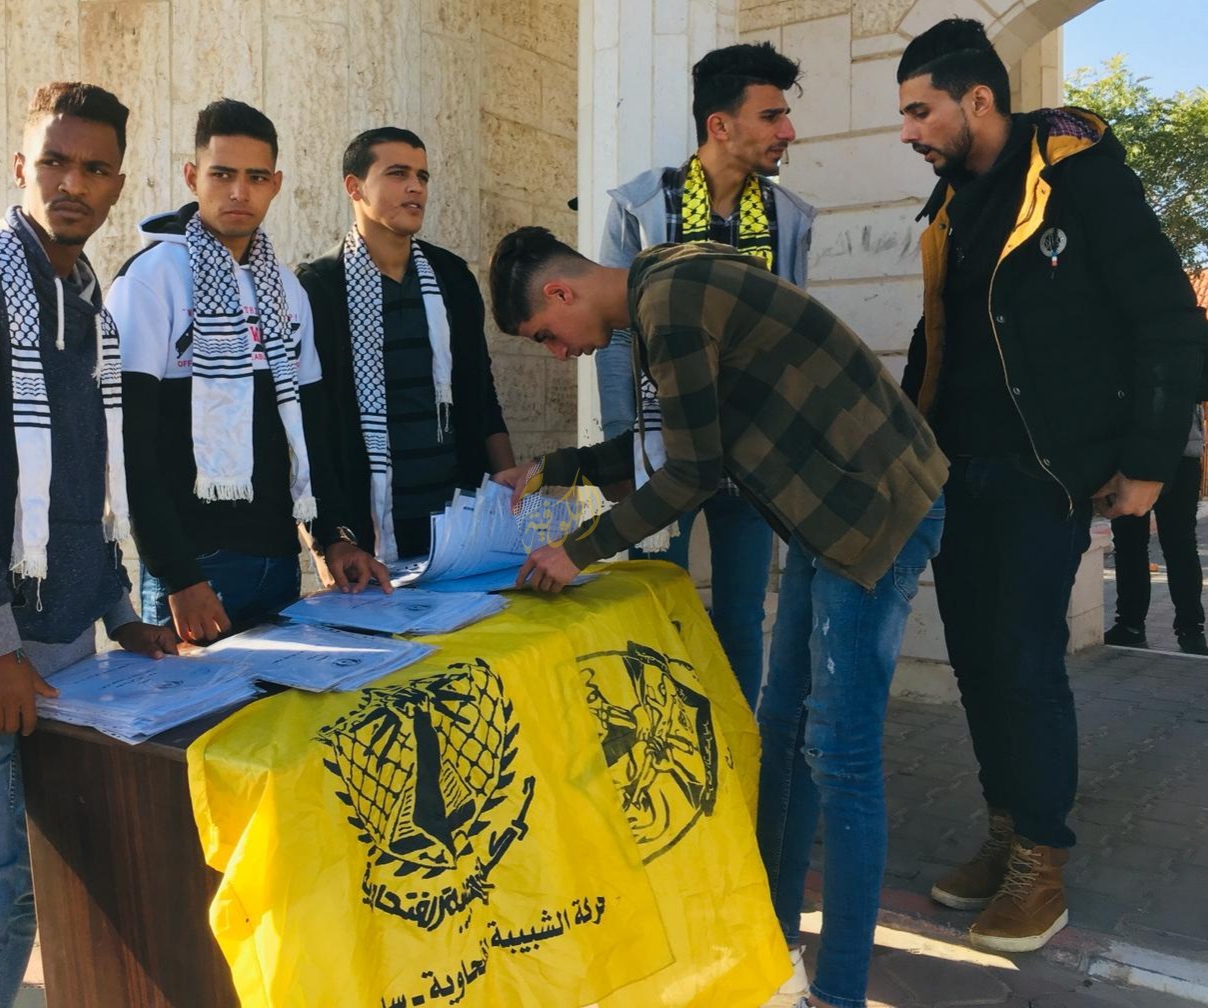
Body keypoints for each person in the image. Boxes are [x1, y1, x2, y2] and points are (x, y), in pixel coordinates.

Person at [487, 226, 948, 1008]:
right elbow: (670, 446)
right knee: (784, 728)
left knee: (839, 756)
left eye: (545, 336)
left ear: (560, 292)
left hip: (874, 512)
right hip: (827, 512)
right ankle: (769, 942)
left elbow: (691, 473)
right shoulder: (660, 287)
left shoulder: (668, 302)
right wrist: (551, 469)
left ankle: (837, 993)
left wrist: (578, 550)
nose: (558, 354)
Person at [897, 18, 1208, 953]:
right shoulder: (950, 203)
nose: (907, 131)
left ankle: (1041, 861)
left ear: (977, 99)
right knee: (975, 659)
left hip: (1043, 470)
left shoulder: (1079, 176)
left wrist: (1148, 460)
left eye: (919, 110)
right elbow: (937, 337)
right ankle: (1004, 832)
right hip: (956, 470)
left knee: (1024, 660)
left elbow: (1167, 318)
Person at [0, 82, 178, 1007]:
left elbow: (81, 487)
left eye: (94, 168)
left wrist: (119, 611)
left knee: (34, 898)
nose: (73, 183)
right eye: (55, 162)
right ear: (22, 167)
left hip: (67, 653)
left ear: (117, 186)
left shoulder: (89, 305)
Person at [597, 41, 815, 711]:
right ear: (720, 125)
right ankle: (664, 749)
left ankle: (737, 750)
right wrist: (624, 447)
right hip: (661, 449)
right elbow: (616, 334)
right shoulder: (640, 207)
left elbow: (791, 340)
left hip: (752, 454)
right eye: (771, 116)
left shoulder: (788, 217)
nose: (787, 131)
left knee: (742, 618)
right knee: (653, 610)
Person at [107, 99, 369, 647]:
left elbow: (311, 431)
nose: (238, 192)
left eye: (255, 177)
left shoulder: (286, 288)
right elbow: (130, 446)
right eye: (222, 174)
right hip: (195, 573)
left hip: (279, 562)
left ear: (276, 184)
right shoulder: (151, 279)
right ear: (192, 176)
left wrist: (334, 538)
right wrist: (179, 575)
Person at [296, 127, 514, 568]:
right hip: (366, 534)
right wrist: (325, 541)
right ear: (354, 187)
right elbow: (306, 427)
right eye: (398, 173)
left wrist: (507, 488)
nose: (416, 187)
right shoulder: (318, 287)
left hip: (460, 519)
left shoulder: (452, 277)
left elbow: (481, 391)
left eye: (422, 176)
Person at [1106, 408, 1207, 654]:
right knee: (1130, 544)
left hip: (1178, 450)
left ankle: (1190, 629)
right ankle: (1131, 626)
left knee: (1179, 544)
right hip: (1129, 452)